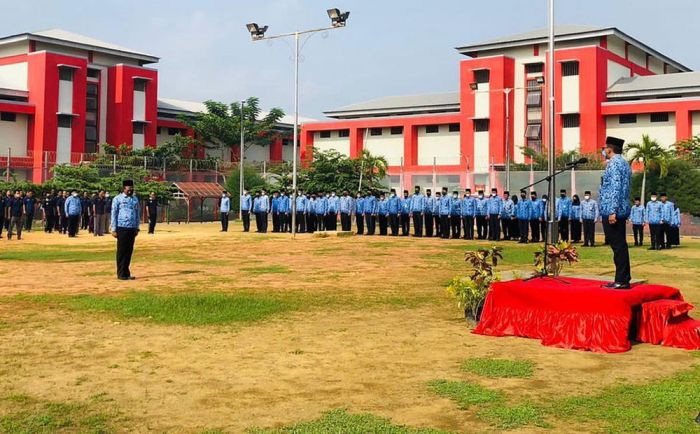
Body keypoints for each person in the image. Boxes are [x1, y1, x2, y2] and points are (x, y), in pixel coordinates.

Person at [599, 136, 632, 289]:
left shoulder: (614, 164)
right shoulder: (624, 163)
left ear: (610, 149)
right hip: (621, 208)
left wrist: (612, 211)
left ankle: (622, 280)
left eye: (605, 148)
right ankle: (622, 278)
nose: (604, 151)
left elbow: (615, 188)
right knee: (620, 245)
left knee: (617, 245)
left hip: (614, 210)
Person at [111, 180, 140, 280]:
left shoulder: (135, 199)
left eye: (132, 188)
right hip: (122, 227)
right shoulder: (118, 199)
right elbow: (114, 214)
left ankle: (126, 273)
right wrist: (114, 229)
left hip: (132, 228)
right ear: (124, 188)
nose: (130, 190)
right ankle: (121, 274)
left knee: (129, 251)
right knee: (121, 251)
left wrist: (137, 227)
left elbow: (137, 214)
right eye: (129, 188)